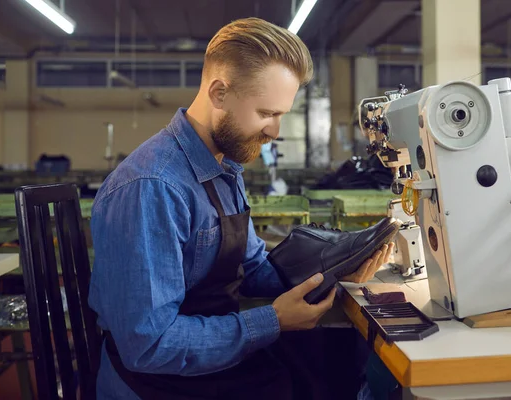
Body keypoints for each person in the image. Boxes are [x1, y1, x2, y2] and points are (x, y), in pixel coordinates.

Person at [88, 17, 392, 399]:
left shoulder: (224, 165)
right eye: (267, 114)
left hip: (206, 364)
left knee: (338, 370)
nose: (275, 131)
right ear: (219, 93)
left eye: (282, 115)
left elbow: (251, 270)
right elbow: (148, 346)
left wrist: (332, 271)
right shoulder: (153, 188)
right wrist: (274, 320)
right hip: (160, 383)